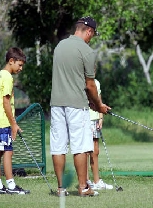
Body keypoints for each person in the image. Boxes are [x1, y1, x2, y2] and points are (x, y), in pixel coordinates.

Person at [50, 16, 111, 197]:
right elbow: (90, 85)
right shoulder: (87, 51)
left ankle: (61, 189)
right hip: (76, 106)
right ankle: (83, 187)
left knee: (58, 147)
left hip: (56, 104)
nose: (91, 38)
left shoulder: (59, 46)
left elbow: (71, 79)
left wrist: (92, 102)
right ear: (89, 31)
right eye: (92, 35)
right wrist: (99, 105)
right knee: (81, 147)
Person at [0, 47, 30, 195]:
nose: (21, 68)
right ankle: (11, 186)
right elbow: (6, 103)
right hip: (2, 122)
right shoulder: (7, 78)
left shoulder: (0, 75)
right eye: (19, 64)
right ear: (11, 61)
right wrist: (13, 124)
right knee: (8, 152)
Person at [86, 78, 114, 190]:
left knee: (95, 150)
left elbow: (99, 100)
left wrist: (101, 116)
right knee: (85, 151)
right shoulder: (82, 82)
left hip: (95, 118)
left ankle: (96, 181)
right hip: (85, 118)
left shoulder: (96, 82)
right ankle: (86, 182)